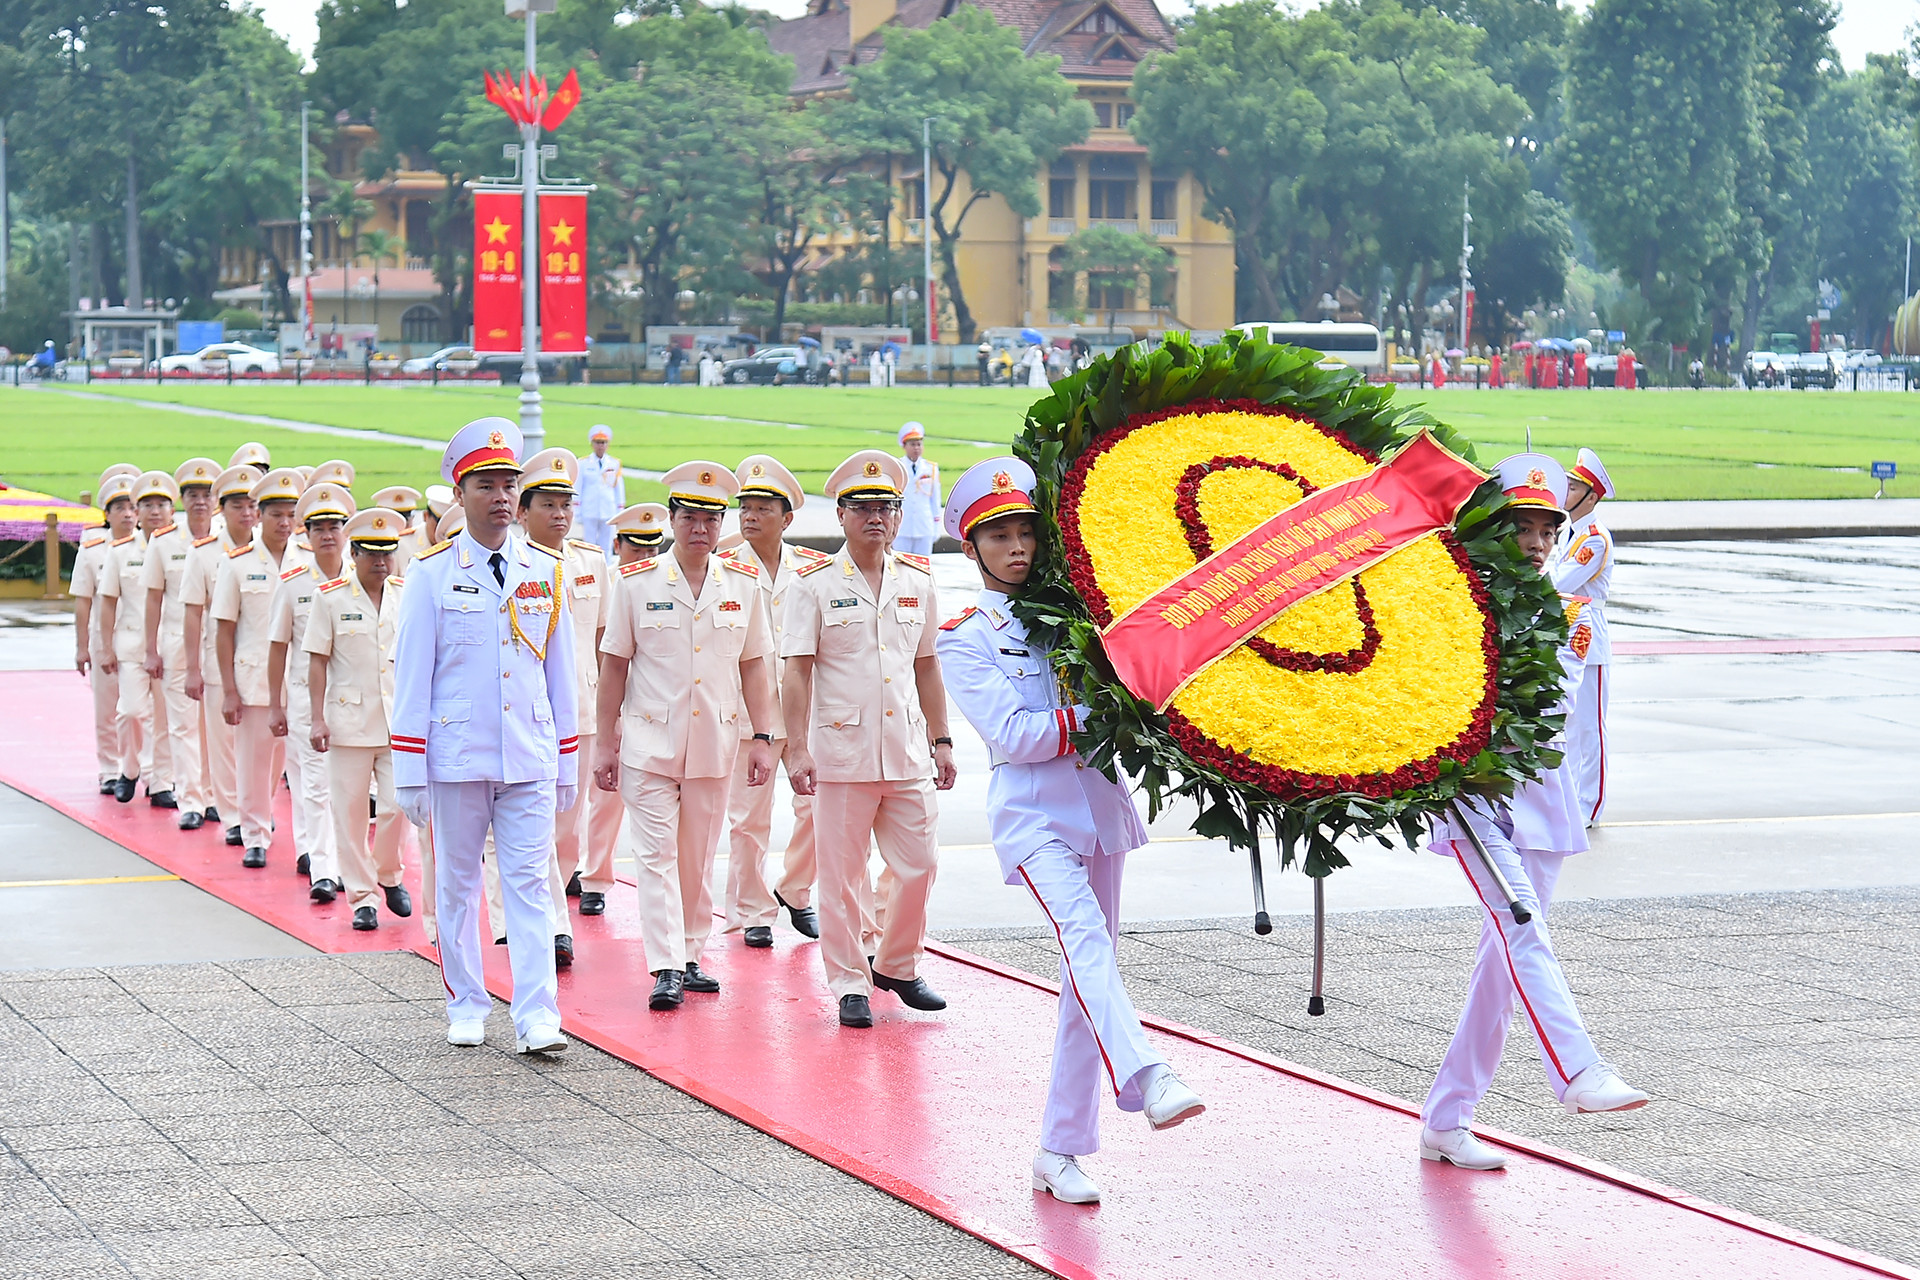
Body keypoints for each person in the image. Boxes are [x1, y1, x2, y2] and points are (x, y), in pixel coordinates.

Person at [936, 457, 1204, 1204]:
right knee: (1087, 945)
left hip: (1098, 807)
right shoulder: (965, 634)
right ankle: (1149, 1076)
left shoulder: (1080, 612)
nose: (1017, 548)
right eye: (999, 537)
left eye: (1027, 533)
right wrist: (1103, 710)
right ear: (972, 549)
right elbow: (1015, 735)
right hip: (1034, 816)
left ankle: (1059, 1149)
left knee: (1088, 978)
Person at [1418, 452, 1648, 1172]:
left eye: (1548, 530)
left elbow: (1550, 709)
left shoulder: (1570, 613)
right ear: (1493, 528)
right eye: (1523, 528)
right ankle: (1577, 1070)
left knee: (1503, 964)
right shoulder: (1452, 602)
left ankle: (1447, 1117)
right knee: (1520, 923)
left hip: (1541, 801)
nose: (1538, 543)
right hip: (1475, 797)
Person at [392, 416, 577, 1054]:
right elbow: (412, 679)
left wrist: (568, 758)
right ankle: (466, 1002)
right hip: (457, 757)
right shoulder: (430, 574)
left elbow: (561, 673)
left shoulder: (546, 571)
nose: (500, 497)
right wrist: (410, 769)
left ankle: (537, 1015)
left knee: (528, 888)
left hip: (527, 753)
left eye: (508, 483)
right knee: (457, 886)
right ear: (460, 494)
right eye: (486, 485)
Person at [594, 461, 778, 1009]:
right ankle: (666, 963)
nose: (700, 528)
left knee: (696, 856)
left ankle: (692, 953)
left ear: (720, 524)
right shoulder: (634, 583)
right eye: (690, 517)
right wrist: (606, 741)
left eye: (710, 518)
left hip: (715, 745)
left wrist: (764, 737)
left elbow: (755, 667)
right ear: (672, 520)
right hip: (648, 744)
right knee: (655, 858)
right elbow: (613, 667)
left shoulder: (742, 586)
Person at [781, 449, 955, 1028]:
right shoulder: (814, 584)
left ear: (900, 515)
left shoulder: (918, 581)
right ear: (841, 515)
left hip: (906, 750)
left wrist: (942, 739)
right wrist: (796, 748)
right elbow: (797, 669)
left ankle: (897, 965)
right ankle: (850, 982)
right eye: (863, 507)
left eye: (886, 507)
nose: (875, 517)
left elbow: (927, 666)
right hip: (841, 751)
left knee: (919, 865)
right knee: (840, 875)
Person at [717, 456, 837, 947]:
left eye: (763, 507)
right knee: (748, 819)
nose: (750, 515)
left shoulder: (813, 569)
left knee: (818, 810)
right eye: (744, 506)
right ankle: (753, 910)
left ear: (787, 518)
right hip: (749, 717)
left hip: (805, 714)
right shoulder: (722, 569)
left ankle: (794, 888)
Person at [517, 447, 610, 957]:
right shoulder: (510, 565)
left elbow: (605, 642)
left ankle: (549, 904)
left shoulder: (592, 563)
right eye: (548, 504)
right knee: (538, 822)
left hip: (584, 710)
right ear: (523, 511)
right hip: (530, 713)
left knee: (569, 826)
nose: (559, 514)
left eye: (565, 504)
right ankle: (554, 925)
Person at [305, 507, 414, 931]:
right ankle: (362, 897)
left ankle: (388, 874)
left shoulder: (406, 595)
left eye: (388, 553)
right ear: (355, 554)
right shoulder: (330, 597)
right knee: (349, 814)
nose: (382, 562)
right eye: (372, 554)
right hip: (348, 721)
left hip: (397, 721)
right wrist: (316, 718)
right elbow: (317, 662)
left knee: (396, 807)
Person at [268, 479, 355, 898]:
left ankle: (346, 862)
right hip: (307, 698)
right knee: (317, 784)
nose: (327, 535)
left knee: (353, 791)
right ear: (306, 534)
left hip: (357, 703)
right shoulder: (294, 582)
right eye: (318, 528)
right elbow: (277, 646)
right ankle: (324, 868)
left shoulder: (363, 580)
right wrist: (274, 705)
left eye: (334, 526)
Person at [214, 467, 302, 868]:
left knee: (289, 764)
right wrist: (228, 689)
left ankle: (294, 836)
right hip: (252, 680)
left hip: (298, 682)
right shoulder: (236, 564)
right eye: (275, 515)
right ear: (258, 515)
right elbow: (224, 631)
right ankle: (253, 834)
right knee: (252, 760)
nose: (284, 523)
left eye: (290, 515)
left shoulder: (310, 562)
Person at [182, 465, 260, 843]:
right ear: (222, 509)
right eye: (237, 506)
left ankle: (253, 809)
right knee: (223, 743)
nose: (245, 514)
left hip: (263, 664)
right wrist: (192, 668)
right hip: (219, 660)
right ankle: (233, 817)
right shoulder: (204, 553)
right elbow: (193, 612)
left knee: (265, 750)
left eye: (251, 506)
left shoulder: (272, 550)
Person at [142, 459, 220, 829]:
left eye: (206, 495)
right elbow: (154, 598)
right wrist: (149, 649)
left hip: (219, 646)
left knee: (214, 728)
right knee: (183, 725)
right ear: (182, 500)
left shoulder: (227, 541)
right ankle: (190, 800)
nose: (200, 502)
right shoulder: (164, 541)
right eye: (192, 495)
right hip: (176, 643)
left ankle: (211, 795)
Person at [98, 471, 181, 808]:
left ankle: (161, 781)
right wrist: (105, 646)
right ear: (137, 510)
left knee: (164, 718)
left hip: (170, 645)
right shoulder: (121, 552)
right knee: (131, 711)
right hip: (132, 646)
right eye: (147, 505)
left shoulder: (182, 549)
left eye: (162, 504)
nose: (155, 511)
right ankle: (130, 769)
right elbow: (107, 602)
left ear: (172, 510)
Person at [1552, 449, 1616, 827]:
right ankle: (1574, 799)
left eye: (1574, 486)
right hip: (1567, 637)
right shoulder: (1567, 533)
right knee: (1569, 727)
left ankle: (1590, 806)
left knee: (1590, 729)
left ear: (1590, 496)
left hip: (1589, 642)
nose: (1566, 490)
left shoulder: (1593, 539)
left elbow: (1558, 583)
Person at [74, 467, 140, 796]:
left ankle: (144, 767)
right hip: (106, 638)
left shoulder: (150, 546)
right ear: (107, 514)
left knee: (140, 710)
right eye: (120, 508)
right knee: (107, 707)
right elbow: (83, 602)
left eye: (132, 507)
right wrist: (82, 647)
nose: (128, 514)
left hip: (141, 639)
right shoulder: (93, 549)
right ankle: (109, 768)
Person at [577, 426, 624, 560]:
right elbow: (578, 487)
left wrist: (620, 510)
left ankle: (607, 569)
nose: (600, 446)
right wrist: (577, 510)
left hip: (608, 508)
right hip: (589, 508)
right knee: (589, 544)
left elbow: (618, 489)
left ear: (608, 445)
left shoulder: (614, 463)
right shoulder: (584, 463)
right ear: (592, 444)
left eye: (603, 443)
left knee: (607, 544)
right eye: (597, 443)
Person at [895, 423, 942, 557]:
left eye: (919, 444)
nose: (916, 448)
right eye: (912, 444)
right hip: (902, 527)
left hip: (924, 525)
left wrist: (935, 526)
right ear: (904, 446)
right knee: (901, 566)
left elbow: (935, 499)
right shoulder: (898, 466)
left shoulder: (930, 468)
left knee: (923, 566)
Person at [369, 485, 425, 575]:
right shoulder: (365, 545)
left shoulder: (420, 544)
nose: (401, 526)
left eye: (405, 520)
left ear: (412, 519)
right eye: (394, 521)